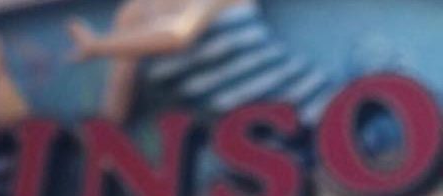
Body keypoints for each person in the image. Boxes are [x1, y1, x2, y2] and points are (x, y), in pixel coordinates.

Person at [67, 0, 333, 125]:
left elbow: (180, 35)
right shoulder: (133, 14)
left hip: (316, 109)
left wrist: (98, 45)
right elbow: (117, 99)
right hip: (256, 144)